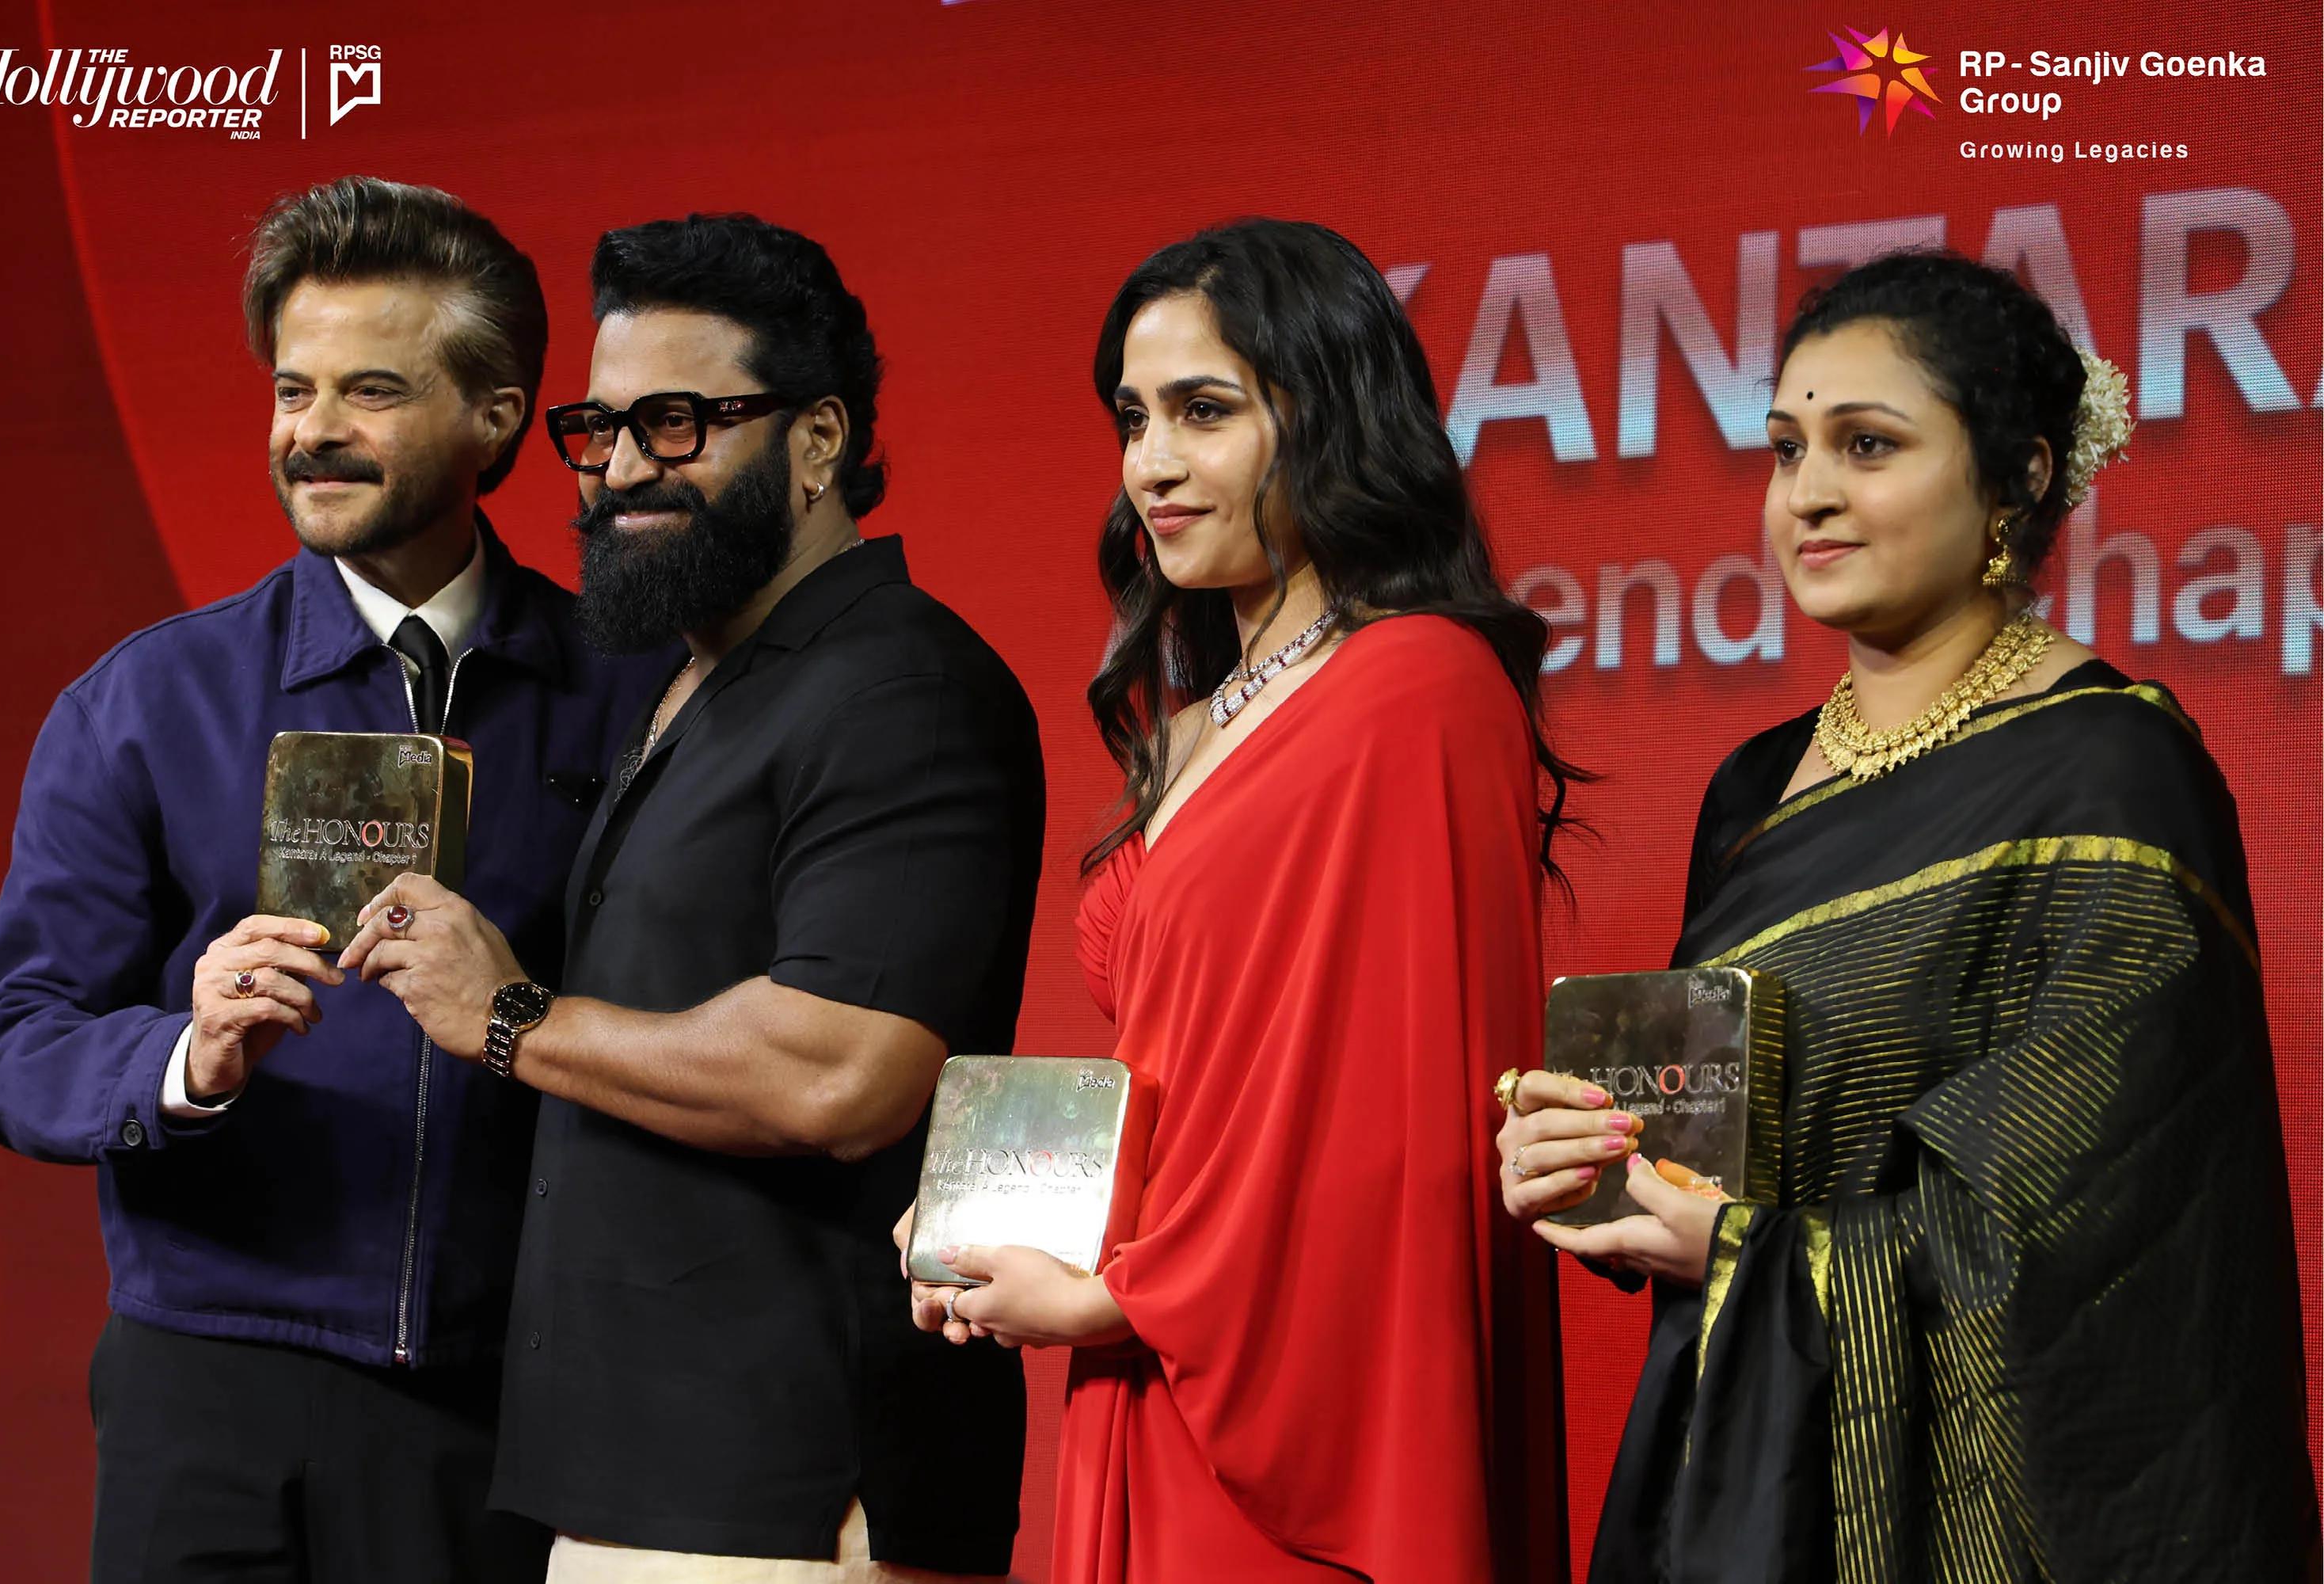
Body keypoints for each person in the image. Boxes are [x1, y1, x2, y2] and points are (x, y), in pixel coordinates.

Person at [1501, 248, 2318, 1582]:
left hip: (1975, 1521)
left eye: (1867, 444)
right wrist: (1594, 1164)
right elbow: (1724, 1148)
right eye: (1784, 450)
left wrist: (1747, 1252)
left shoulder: (2114, 771)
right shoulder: (1753, 789)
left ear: (2021, 473)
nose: (1808, 495)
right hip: (1732, 1469)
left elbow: (2093, 1229)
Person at [0, 175, 664, 1582]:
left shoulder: (635, 699)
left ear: (500, 420)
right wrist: (186, 1054)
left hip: (507, 1402)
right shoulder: (147, 702)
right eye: (293, 389)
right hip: (207, 1389)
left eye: (372, 391)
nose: (311, 434)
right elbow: (9, 1047)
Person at [339, 212, 1043, 1581]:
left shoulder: (903, 689)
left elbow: (844, 1071)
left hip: (795, 1499)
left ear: (822, 438)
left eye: (675, 423)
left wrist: (510, 1019)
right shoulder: (700, 681)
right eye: (595, 430)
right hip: (636, 1491)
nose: (618, 470)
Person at [903, 219, 1573, 1583]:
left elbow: (1385, 1136)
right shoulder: (1201, 713)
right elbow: (1197, 1075)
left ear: (1328, 415)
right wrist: (1008, 1213)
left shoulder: (1418, 687)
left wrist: (1110, 1291)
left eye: (1203, 413)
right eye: (1132, 419)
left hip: (1286, 1389)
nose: (1152, 464)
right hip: (1152, 1359)